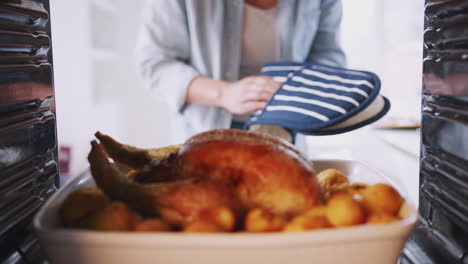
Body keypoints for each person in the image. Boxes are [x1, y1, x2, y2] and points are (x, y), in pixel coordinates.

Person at [136, 0, 346, 150]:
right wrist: (224, 93)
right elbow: (155, 64)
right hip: (204, 137)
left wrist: (299, 89)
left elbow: (329, 57)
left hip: (288, 139)